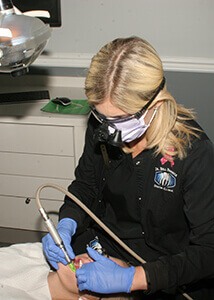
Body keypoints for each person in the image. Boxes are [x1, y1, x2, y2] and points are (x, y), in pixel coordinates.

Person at [42, 36, 214, 299]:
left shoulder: (194, 153)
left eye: (121, 119)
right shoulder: (103, 126)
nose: (109, 129)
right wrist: (67, 222)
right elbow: (85, 185)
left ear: (155, 104)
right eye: (102, 116)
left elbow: (208, 250)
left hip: (163, 265)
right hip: (106, 241)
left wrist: (132, 278)